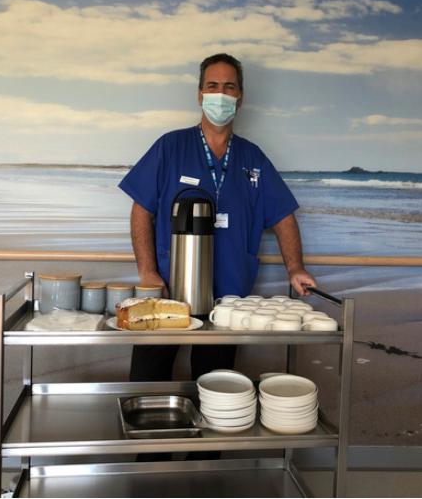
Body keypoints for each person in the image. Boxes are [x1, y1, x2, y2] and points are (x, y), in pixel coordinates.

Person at [118, 53, 317, 384]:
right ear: (200, 95)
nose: (221, 94)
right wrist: (147, 271)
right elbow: (142, 210)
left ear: (239, 98)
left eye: (229, 87)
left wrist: (295, 268)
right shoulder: (170, 147)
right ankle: (146, 437)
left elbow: (284, 217)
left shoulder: (253, 158)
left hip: (228, 300)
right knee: (146, 379)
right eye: (213, 86)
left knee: (215, 385)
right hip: (166, 292)